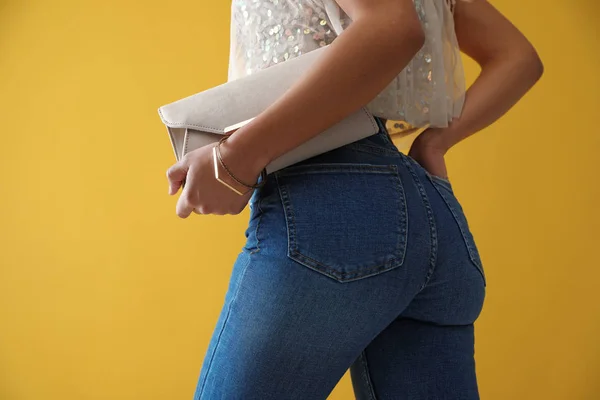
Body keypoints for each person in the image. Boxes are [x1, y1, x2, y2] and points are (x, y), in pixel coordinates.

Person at [165, 0, 543, 398]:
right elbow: (518, 57)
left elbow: (393, 28)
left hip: (326, 208)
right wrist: (435, 143)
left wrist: (235, 160)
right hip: (429, 211)